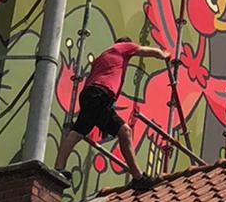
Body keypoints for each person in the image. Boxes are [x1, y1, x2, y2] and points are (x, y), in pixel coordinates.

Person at [56, 38, 168, 190]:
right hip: (100, 94)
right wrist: (163, 54)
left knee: (78, 132)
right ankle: (138, 178)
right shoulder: (122, 47)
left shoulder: (102, 57)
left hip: (91, 95)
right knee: (124, 131)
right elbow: (148, 51)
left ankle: (59, 168)